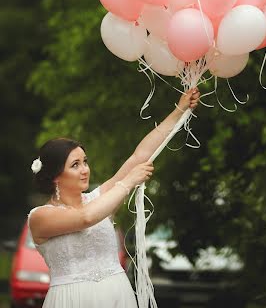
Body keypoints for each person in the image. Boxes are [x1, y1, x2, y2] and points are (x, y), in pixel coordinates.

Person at [28, 88, 200, 308]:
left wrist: (179, 109)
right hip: (73, 301)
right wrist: (128, 182)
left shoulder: (100, 199)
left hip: (117, 296)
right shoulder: (40, 216)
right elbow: (85, 219)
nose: (85, 170)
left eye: (85, 161)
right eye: (75, 165)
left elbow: (139, 156)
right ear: (54, 177)